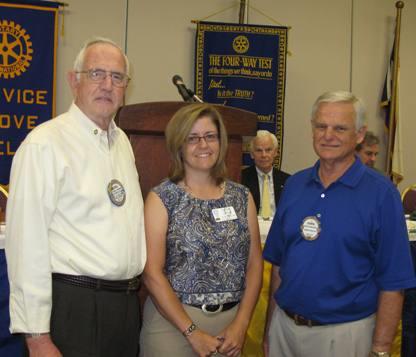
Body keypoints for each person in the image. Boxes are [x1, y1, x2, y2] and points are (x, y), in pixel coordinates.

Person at [5, 37, 146, 357]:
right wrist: (37, 337)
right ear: (74, 80)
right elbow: (27, 244)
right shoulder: (45, 144)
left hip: (123, 308)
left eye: (117, 77)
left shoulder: (122, 142)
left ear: (126, 87)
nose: (107, 85)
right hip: (74, 308)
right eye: (97, 73)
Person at [262, 90, 416, 357]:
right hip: (284, 331)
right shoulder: (295, 185)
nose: (328, 135)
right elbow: (279, 265)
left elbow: (394, 282)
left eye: (340, 128)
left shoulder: (381, 194)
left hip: (345, 336)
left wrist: (380, 350)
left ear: (358, 135)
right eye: (321, 126)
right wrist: (268, 333)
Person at [140, 103, 263, 357]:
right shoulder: (162, 198)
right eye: (192, 138)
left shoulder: (241, 197)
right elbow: (152, 273)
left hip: (230, 330)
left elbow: (254, 265)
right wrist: (192, 332)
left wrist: (241, 325)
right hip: (173, 328)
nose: (203, 145)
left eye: (210, 136)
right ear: (179, 146)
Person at [241, 130, 290, 219]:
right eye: (259, 150)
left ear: (275, 152)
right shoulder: (241, 179)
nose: (264, 155)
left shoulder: (287, 181)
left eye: (268, 150)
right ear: (252, 154)